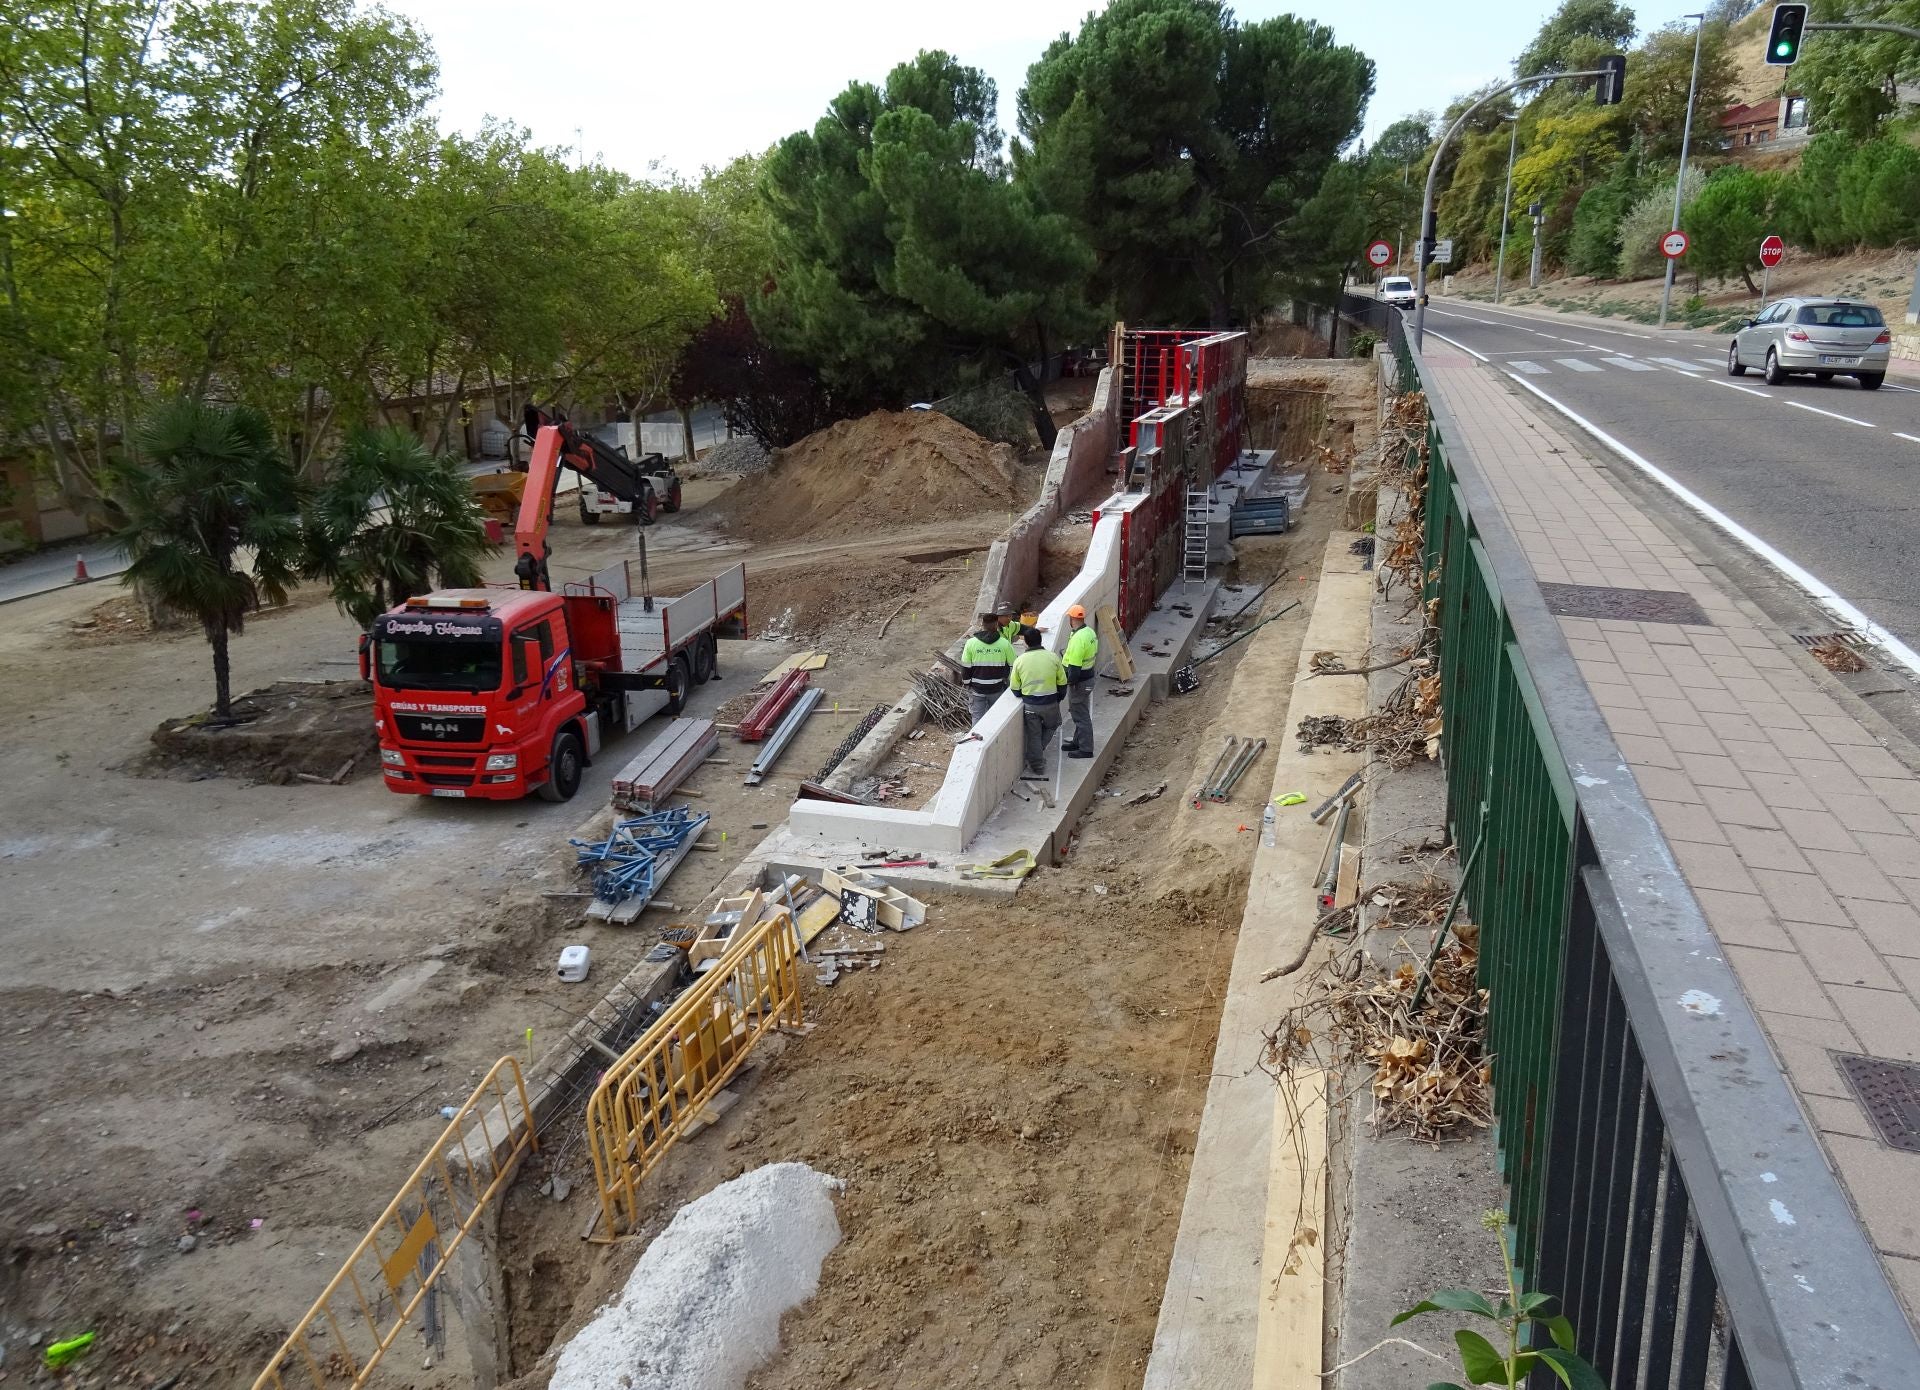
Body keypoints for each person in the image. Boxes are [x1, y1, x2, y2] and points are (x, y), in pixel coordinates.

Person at [1008, 629, 1066, 780]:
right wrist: (1059, 697)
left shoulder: (1020, 661)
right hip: (1050, 702)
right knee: (1053, 725)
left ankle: (1037, 764)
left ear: (1025, 643)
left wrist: (1023, 695)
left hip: (1030, 705)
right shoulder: (1052, 657)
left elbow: (1014, 687)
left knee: (1033, 735)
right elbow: (1062, 682)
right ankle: (1037, 753)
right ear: (1040, 640)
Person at [959, 611, 1014, 724]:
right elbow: (1014, 665)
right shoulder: (1004, 643)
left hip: (977, 689)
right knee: (995, 718)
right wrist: (1010, 684)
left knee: (977, 718)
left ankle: (976, 741)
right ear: (996, 625)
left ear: (982, 624)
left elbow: (965, 667)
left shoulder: (971, 643)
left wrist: (968, 684)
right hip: (997, 688)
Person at [1061, 604, 1099, 758]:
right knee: (1080, 712)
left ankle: (1085, 749)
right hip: (1088, 677)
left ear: (1072, 618)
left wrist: (1068, 682)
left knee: (1080, 715)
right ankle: (1077, 741)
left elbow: (1075, 667)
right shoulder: (1088, 632)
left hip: (1079, 682)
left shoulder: (1078, 639)